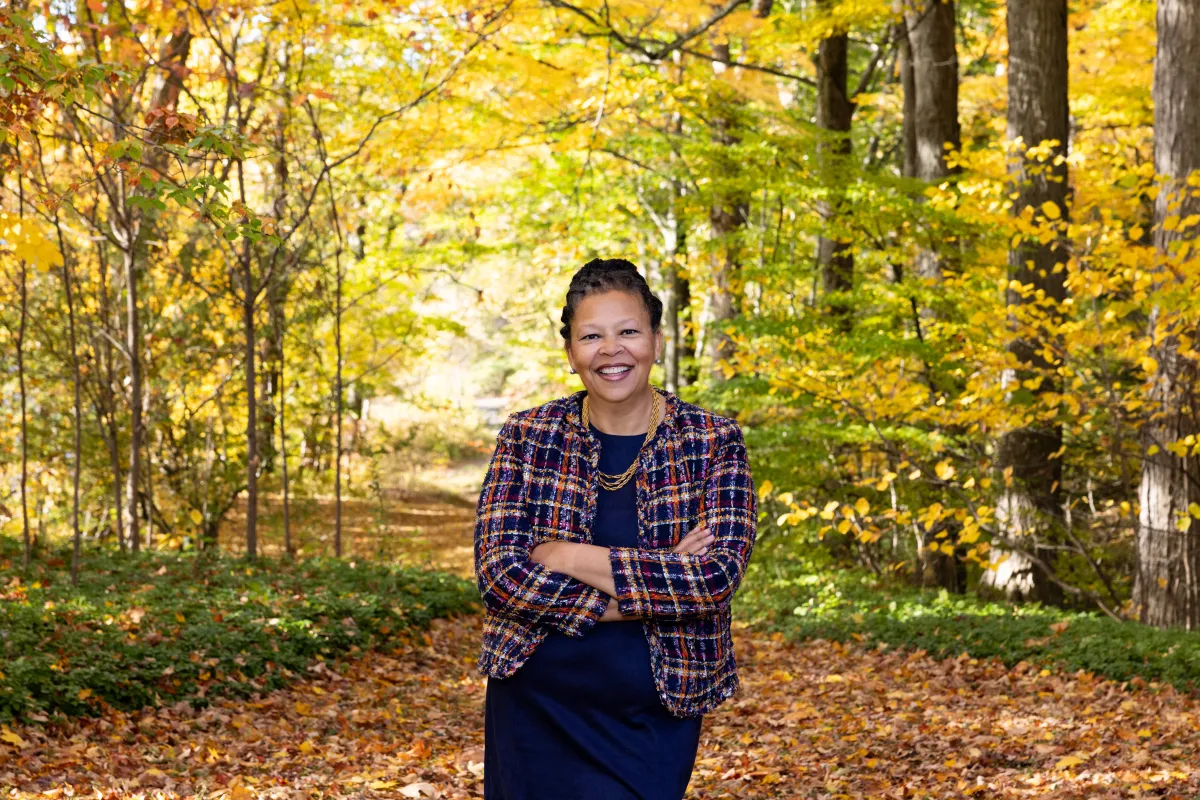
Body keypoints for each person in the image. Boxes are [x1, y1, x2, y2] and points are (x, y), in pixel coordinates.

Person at [474, 258, 758, 800]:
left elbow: (714, 579)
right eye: (591, 336)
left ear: (656, 341)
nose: (611, 350)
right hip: (534, 709)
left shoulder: (711, 441)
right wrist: (661, 579)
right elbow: (499, 576)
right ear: (570, 352)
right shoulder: (529, 435)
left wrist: (564, 555)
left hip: (653, 716)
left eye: (628, 332)